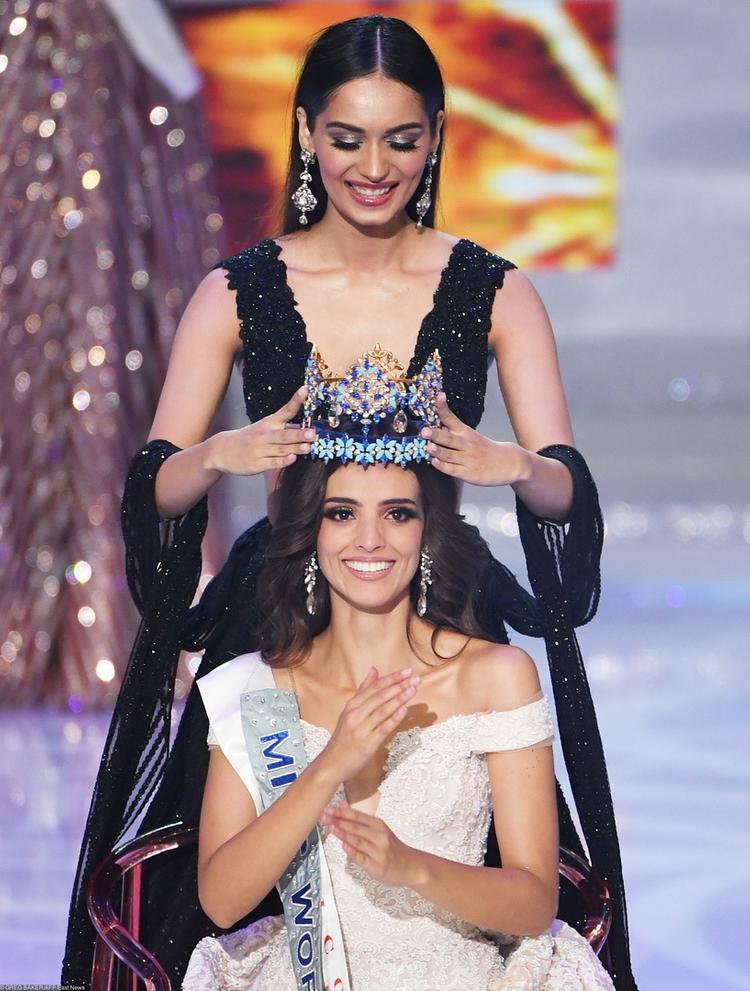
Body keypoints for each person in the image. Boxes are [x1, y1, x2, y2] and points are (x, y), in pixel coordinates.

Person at [62, 14, 636, 991]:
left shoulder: (495, 292)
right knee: (244, 902)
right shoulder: (237, 291)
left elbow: (565, 492)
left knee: (474, 895)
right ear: (305, 133)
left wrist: (507, 464)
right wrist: (220, 454)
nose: (374, 167)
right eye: (347, 138)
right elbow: (154, 487)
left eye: (401, 140)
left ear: (437, 137)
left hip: (440, 605)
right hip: (277, 615)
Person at [181, 387, 615, 991]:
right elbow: (222, 902)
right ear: (312, 532)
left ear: (426, 530)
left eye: (397, 513)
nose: (370, 539)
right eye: (342, 513)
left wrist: (412, 868)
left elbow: (534, 901)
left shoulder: (496, 676)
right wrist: (329, 766)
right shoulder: (258, 686)